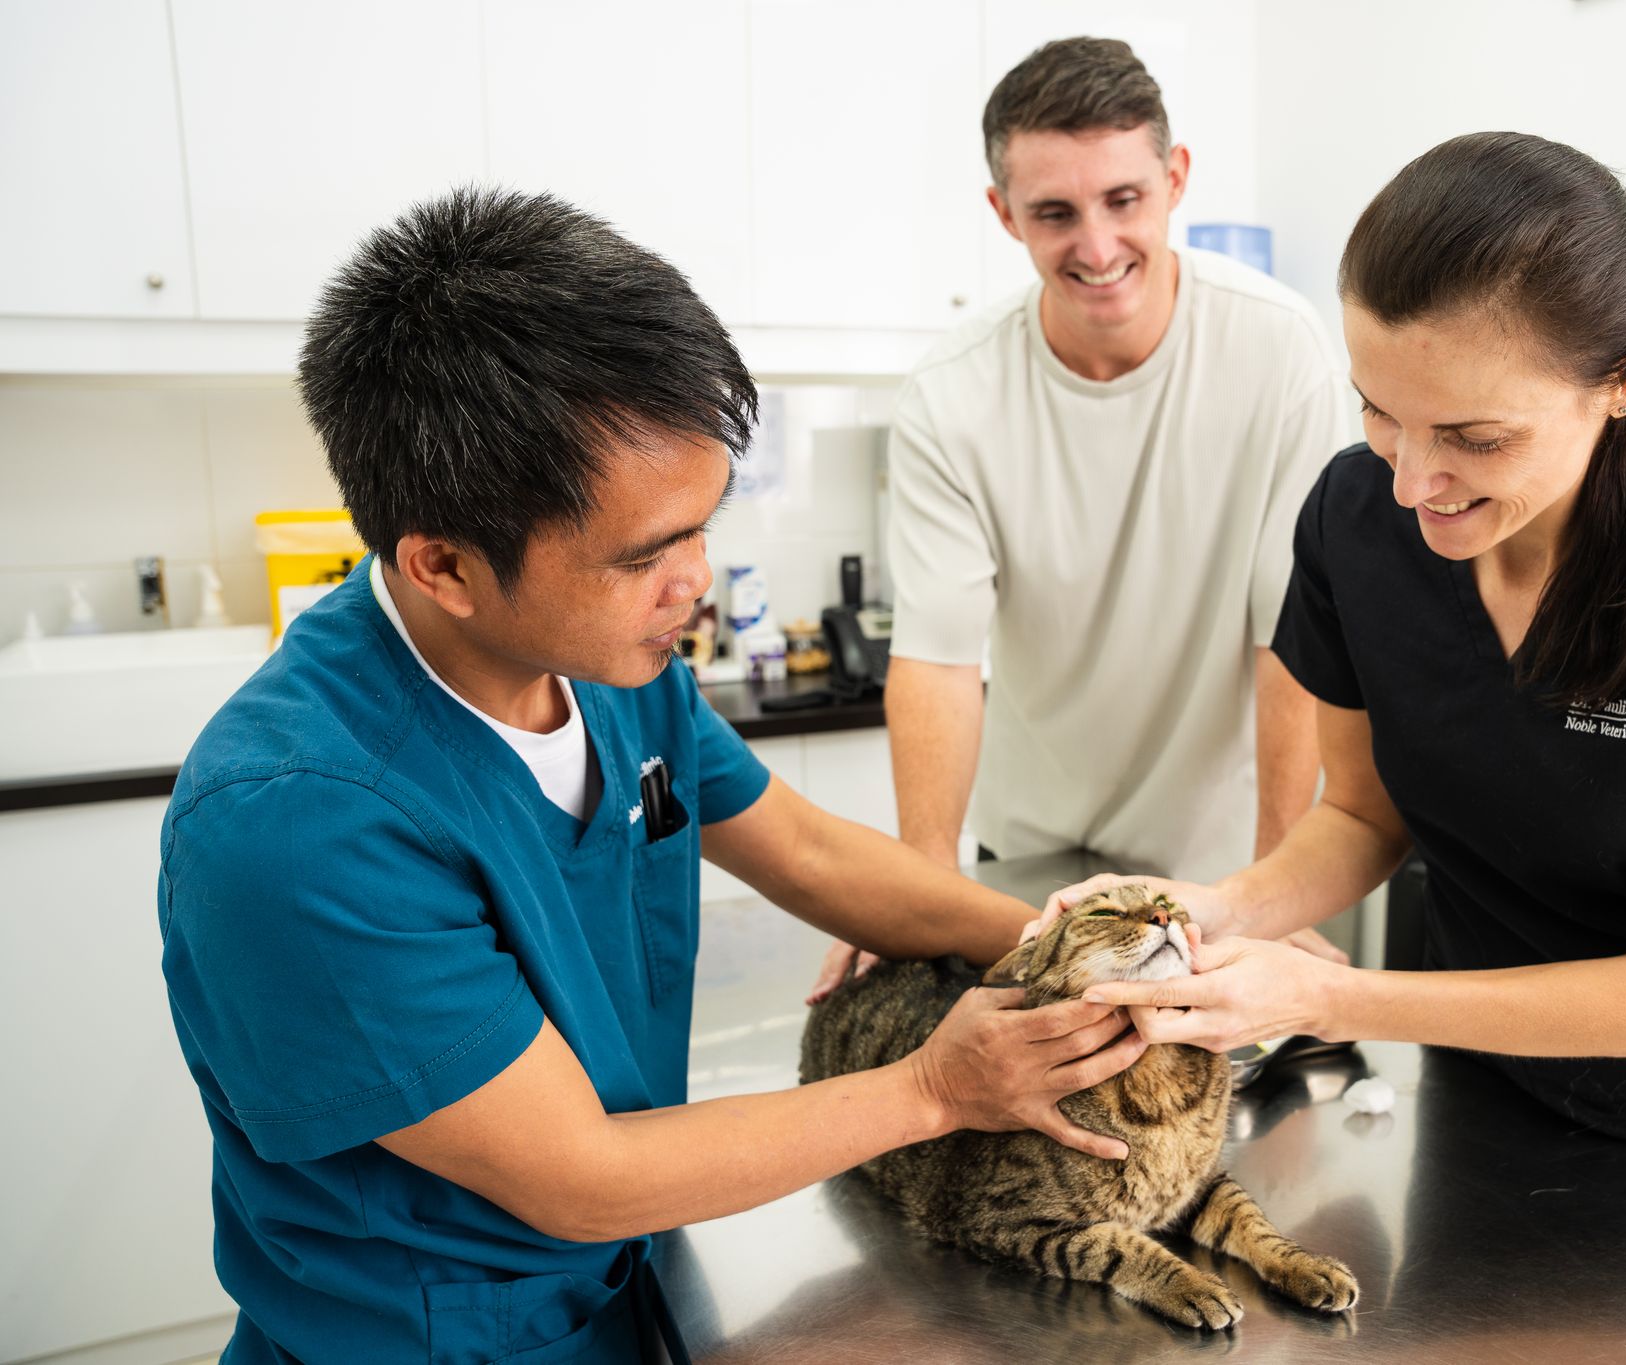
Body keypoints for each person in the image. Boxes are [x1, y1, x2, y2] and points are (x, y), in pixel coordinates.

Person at [157, 187, 1147, 1364]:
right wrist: (937, 1087)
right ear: (444, 565)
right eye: (645, 555)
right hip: (438, 1339)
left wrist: (1071, 950)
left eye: (702, 527)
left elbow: (811, 853)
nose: (697, 582)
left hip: (629, 1289)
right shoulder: (296, 824)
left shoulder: (614, 667)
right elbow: (579, 1178)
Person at [1047, 132, 1626, 1273]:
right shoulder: (1357, 518)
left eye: (1474, 437)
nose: (1411, 483)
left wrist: (1335, 993)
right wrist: (1220, 913)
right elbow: (1360, 817)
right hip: (1495, 1109)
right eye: (1378, 412)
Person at [811, 37, 1353, 1001]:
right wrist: (916, 894)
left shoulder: (1280, 353)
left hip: (1219, 872)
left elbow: (1291, 640)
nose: (1097, 247)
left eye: (1124, 200)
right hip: (1033, 861)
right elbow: (937, 659)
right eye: (1055, 213)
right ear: (1003, 213)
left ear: (1174, 179)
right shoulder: (953, 392)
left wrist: (1280, 891)